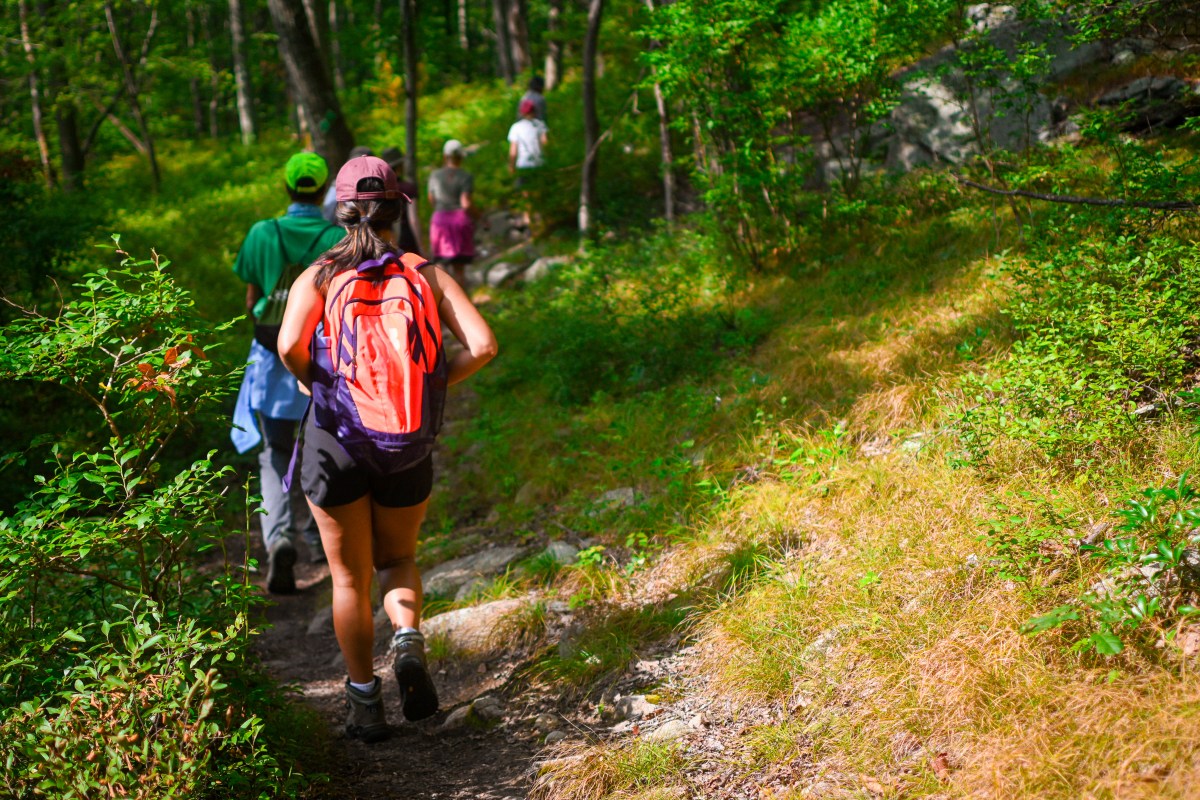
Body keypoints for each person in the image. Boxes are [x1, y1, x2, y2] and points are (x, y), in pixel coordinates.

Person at [276, 156, 497, 741]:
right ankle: (406, 640)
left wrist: (315, 381)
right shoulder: (424, 274)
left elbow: (288, 346)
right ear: (399, 208)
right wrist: (433, 380)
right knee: (397, 559)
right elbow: (484, 344)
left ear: (341, 210)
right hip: (406, 440)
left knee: (347, 580)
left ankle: (365, 704)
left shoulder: (320, 276)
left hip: (335, 440)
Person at [231, 152, 346, 593]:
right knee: (325, 452)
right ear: (322, 191)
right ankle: (323, 544)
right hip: (324, 365)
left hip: (271, 359)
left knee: (274, 455)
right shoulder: (339, 237)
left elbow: (249, 300)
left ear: (286, 188)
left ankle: (279, 539)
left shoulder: (262, 233)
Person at [427, 139, 477, 285]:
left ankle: (442, 304)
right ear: (461, 157)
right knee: (459, 269)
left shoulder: (435, 175)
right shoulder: (465, 176)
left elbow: (432, 200)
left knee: (441, 267)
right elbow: (465, 203)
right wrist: (479, 215)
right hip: (459, 221)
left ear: (445, 156)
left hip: (439, 221)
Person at [507, 98, 548, 181]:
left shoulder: (516, 127)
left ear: (522, 112)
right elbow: (545, 142)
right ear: (534, 111)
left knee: (525, 189)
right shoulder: (540, 124)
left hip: (523, 163)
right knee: (539, 188)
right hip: (539, 162)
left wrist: (511, 165)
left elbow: (513, 149)